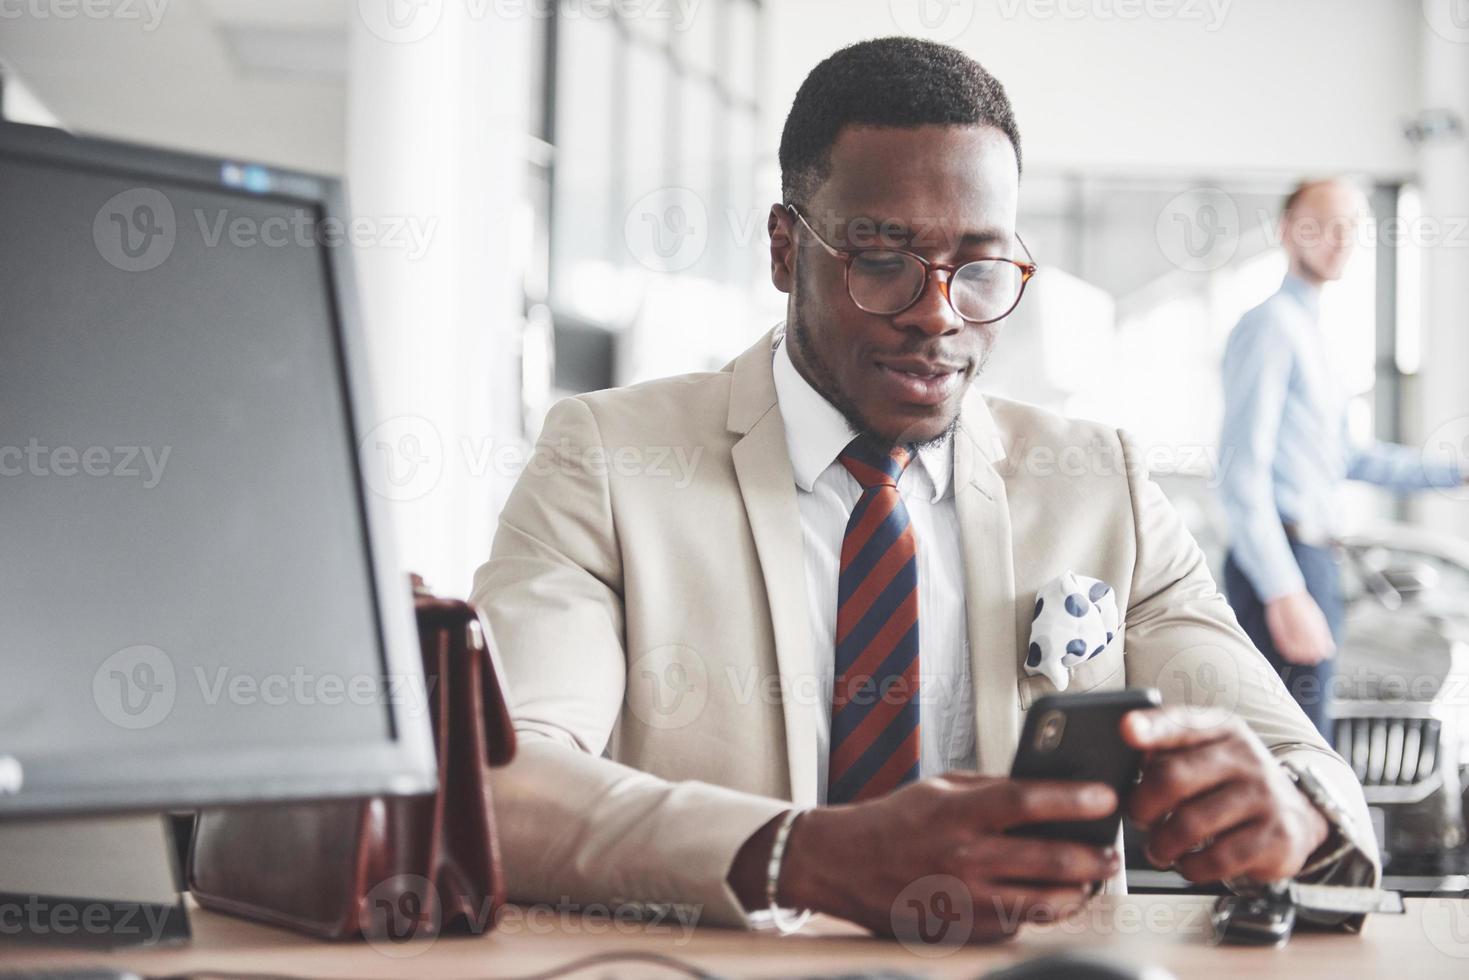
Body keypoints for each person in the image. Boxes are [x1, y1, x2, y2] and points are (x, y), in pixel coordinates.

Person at [472, 38, 1379, 944]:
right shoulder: (608, 461)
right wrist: (806, 854)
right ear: (786, 249)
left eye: (979, 267)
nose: (937, 312)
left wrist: (1293, 815)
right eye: (882, 259)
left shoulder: (1100, 485)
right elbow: (503, 783)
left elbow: (1300, 757)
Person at [1219, 178, 1467, 738]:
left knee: (1309, 745)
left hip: (1317, 559)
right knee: (1291, 751)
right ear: (1287, 232)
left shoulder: (1315, 332)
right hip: (1284, 559)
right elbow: (1241, 473)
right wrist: (1284, 590)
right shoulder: (1271, 327)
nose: (1340, 239)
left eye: (1352, 226)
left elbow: (1346, 458)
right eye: (1323, 223)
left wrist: (1455, 470)